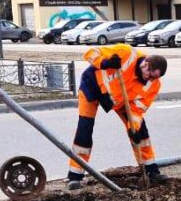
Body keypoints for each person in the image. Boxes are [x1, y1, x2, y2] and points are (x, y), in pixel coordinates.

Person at [66, 44, 168, 190]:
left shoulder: (153, 84)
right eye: (150, 75)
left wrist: (134, 128)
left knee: (141, 133)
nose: (150, 79)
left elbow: (137, 109)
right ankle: (75, 176)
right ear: (146, 64)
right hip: (92, 87)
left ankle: (151, 170)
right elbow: (90, 52)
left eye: (155, 77)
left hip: (118, 100)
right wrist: (105, 63)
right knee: (84, 130)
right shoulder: (126, 53)